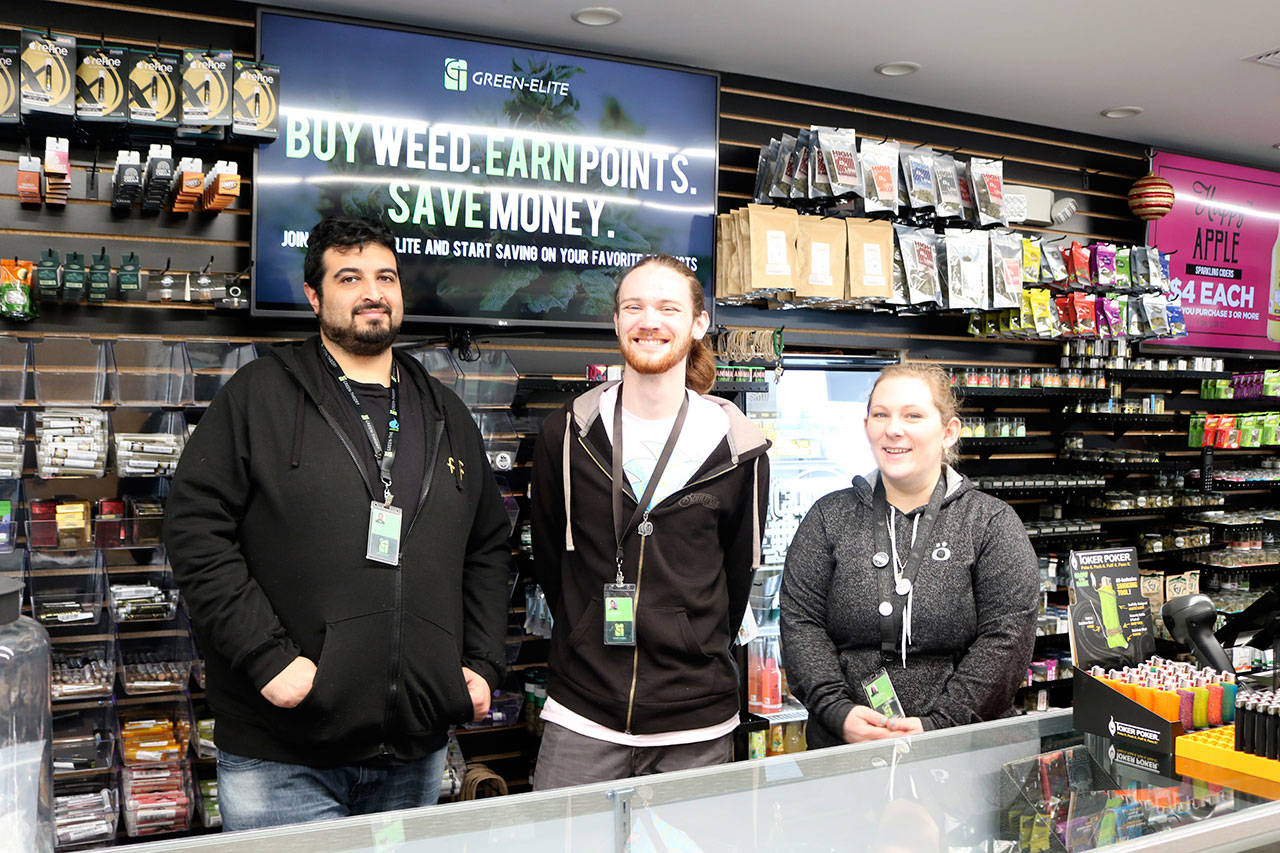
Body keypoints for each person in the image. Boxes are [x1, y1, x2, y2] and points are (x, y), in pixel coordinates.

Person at [164, 217, 512, 829]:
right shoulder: (258, 397)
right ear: (314, 296)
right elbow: (195, 529)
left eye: (386, 276)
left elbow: (487, 547)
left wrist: (482, 663)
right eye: (349, 277)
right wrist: (265, 657)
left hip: (414, 753)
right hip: (283, 757)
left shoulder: (445, 411)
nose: (372, 292)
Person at [530, 254, 770, 788]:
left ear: (698, 323)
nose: (649, 321)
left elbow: (735, 580)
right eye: (633, 307)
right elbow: (549, 557)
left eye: (667, 307)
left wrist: (687, 638)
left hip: (695, 722)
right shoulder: (565, 434)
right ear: (616, 322)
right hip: (581, 714)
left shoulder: (739, 450)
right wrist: (590, 623)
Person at [779, 362, 1038, 748]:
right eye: (880, 415)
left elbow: (1007, 638)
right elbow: (801, 623)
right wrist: (837, 710)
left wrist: (940, 724)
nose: (893, 429)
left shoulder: (991, 523)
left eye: (913, 416)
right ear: (866, 425)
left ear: (948, 432)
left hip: (960, 748)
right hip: (845, 747)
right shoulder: (828, 517)